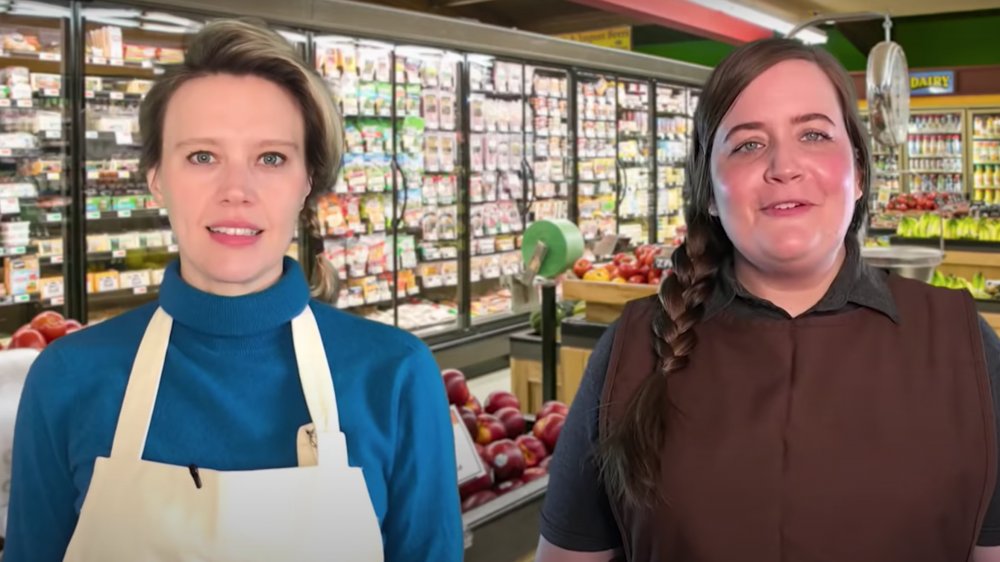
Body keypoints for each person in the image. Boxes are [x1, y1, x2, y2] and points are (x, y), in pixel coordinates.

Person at [5, 19, 462, 562]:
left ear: (306, 181)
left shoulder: (396, 376)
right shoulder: (67, 377)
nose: (236, 192)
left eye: (271, 158)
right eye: (202, 156)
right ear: (156, 176)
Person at [536, 38, 1000, 562]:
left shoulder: (962, 345)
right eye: (749, 144)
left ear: (860, 172)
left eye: (814, 134)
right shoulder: (633, 350)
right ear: (709, 190)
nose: (785, 165)